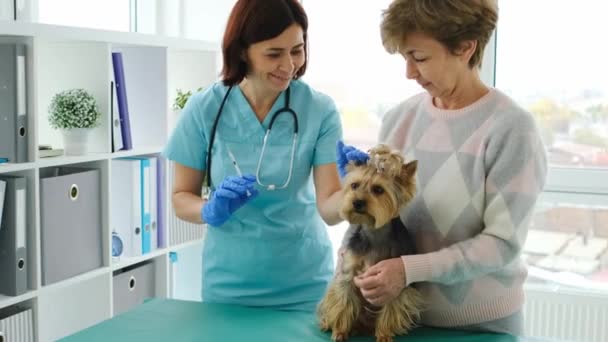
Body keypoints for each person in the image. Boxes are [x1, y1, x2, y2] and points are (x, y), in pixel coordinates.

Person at [337, 0, 547, 335]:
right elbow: (381, 219)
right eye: (405, 57)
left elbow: (501, 243)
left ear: (465, 48)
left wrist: (409, 270)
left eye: (419, 58)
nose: (409, 72)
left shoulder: (512, 129)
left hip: (480, 326)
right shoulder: (398, 120)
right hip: (400, 322)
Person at [163, 0, 344, 312]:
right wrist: (209, 210)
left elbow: (329, 208)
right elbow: (181, 197)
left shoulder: (319, 109)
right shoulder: (205, 108)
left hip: (305, 285)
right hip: (229, 288)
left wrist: (361, 191)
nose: (289, 65)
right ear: (242, 50)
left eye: (297, 50)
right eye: (274, 54)